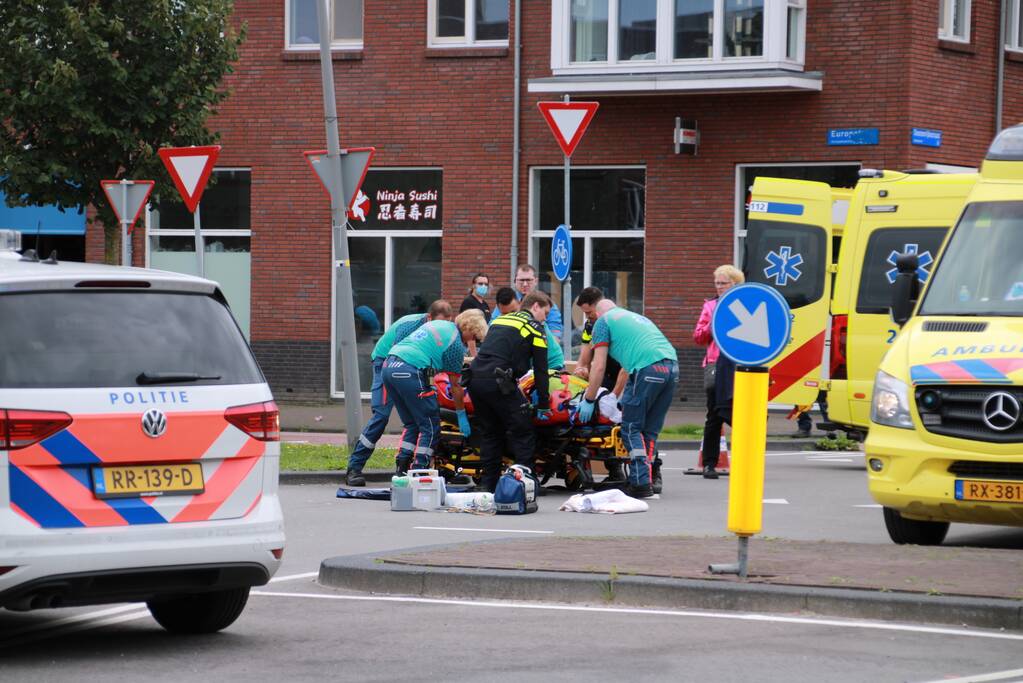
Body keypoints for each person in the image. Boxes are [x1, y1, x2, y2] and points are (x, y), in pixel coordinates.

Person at [344, 300, 453, 486]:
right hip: (387, 362)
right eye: (437, 323)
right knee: (381, 415)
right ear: (429, 318)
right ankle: (354, 468)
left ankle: (402, 468)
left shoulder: (437, 329)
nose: (440, 328)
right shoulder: (409, 326)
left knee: (413, 420)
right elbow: (397, 354)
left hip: (411, 368)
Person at [577, 300, 678, 498]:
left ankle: (639, 483)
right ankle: (645, 479)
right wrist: (617, 395)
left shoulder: (602, 323)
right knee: (649, 430)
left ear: (598, 313)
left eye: (591, 315)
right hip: (672, 368)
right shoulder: (637, 319)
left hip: (647, 368)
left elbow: (598, 366)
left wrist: (589, 399)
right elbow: (626, 367)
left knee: (631, 428)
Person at [383, 309, 489, 475]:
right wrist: (461, 415)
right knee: (430, 426)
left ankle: (401, 469)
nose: (473, 341)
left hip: (389, 366)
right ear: (468, 329)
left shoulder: (441, 325)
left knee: (412, 424)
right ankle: (419, 470)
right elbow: (455, 386)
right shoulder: (455, 345)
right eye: (474, 336)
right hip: (410, 370)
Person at [469, 291, 552, 492]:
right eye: (545, 313)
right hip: (499, 381)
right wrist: (543, 403)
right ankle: (524, 484)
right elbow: (541, 369)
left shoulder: (500, 320)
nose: (545, 319)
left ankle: (488, 486)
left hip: (475, 380)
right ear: (535, 307)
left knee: (491, 433)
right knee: (523, 430)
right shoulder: (534, 327)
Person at [693, 265, 744, 479]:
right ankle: (709, 464)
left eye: (724, 283)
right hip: (715, 364)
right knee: (714, 415)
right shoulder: (711, 306)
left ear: (735, 284)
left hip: (740, 364)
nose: (720, 287)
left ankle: (744, 461)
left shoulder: (744, 304)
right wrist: (712, 326)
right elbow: (698, 337)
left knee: (741, 414)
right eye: (717, 283)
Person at [494, 286, 563, 371]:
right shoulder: (497, 323)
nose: (509, 317)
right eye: (504, 314)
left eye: (513, 312)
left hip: (552, 368)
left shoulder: (534, 325)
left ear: (519, 304)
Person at [492, 264, 563, 342]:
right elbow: (493, 326)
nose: (525, 284)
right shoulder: (507, 301)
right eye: (521, 280)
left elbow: (555, 335)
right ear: (515, 281)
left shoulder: (546, 303)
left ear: (536, 281)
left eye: (529, 280)